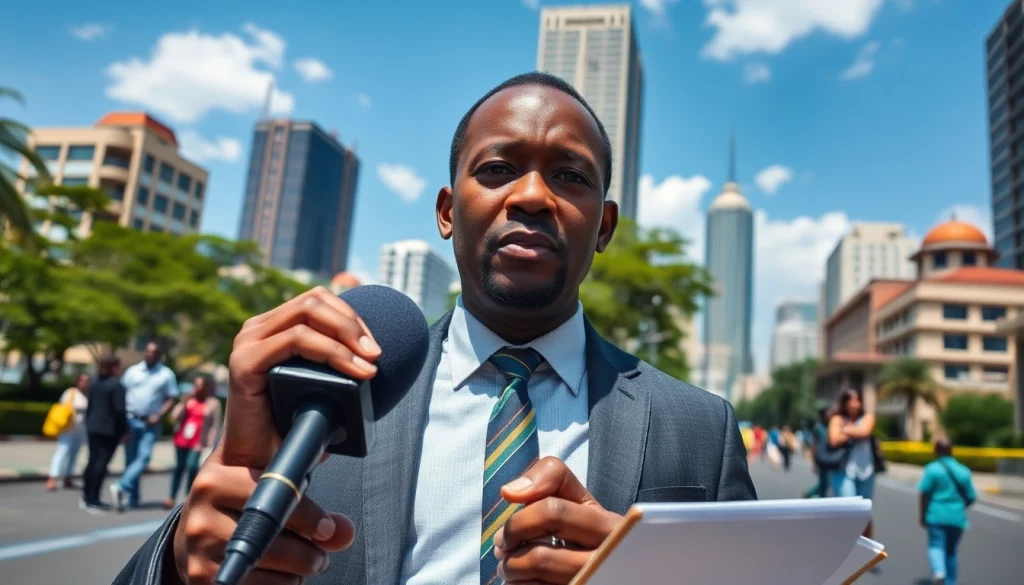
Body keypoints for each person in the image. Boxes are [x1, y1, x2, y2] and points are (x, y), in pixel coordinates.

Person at [113, 71, 756, 585]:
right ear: (447, 212)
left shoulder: (702, 426)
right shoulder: (324, 393)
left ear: (605, 226)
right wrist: (180, 564)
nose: (532, 195)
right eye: (498, 169)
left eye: (569, 175)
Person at [110, 342, 178, 512]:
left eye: (154, 353)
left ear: (159, 355)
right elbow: (122, 393)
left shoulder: (166, 374)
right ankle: (133, 498)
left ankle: (122, 485)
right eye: (148, 352)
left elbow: (170, 398)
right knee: (131, 460)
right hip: (131, 419)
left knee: (144, 457)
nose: (150, 355)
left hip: (151, 422)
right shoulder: (133, 371)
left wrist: (159, 414)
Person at [918, 437, 976, 585]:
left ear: (936, 451)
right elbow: (971, 496)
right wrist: (958, 507)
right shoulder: (963, 470)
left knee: (936, 546)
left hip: (935, 515)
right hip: (957, 517)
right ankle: (950, 582)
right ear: (952, 450)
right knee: (951, 551)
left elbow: (924, 493)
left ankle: (939, 572)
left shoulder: (932, 469)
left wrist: (922, 515)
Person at [164, 374, 222, 509]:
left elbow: (215, 425)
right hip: (182, 438)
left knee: (192, 466)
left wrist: (210, 443)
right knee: (179, 467)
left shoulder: (213, 403)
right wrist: (183, 403)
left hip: (198, 441)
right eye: (195, 385)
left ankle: (188, 497)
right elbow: (174, 417)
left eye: (200, 385)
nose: (197, 388)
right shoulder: (189, 401)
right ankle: (171, 497)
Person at [828, 387, 877, 538]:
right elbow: (834, 439)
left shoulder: (867, 417)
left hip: (866, 470)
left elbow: (865, 432)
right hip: (844, 470)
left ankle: (867, 549)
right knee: (848, 511)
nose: (854, 404)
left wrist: (846, 429)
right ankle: (846, 546)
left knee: (864, 512)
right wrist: (854, 431)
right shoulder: (836, 419)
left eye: (857, 400)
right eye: (850, 400)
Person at [82, 356, 126, 513]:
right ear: (114, 368)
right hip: (109, 430)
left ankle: (86, 496)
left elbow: (90, 406)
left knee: (92, 462)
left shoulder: (95, 383)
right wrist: (124, 430)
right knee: (101, 464)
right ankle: (93, 499)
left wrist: (88, 424)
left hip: (93, 427)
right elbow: (119, 410)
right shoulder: (116, 385)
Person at [45, 373, 90, 491]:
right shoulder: (71, 393)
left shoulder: (87, 395)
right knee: (63, 451)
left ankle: (68, 477)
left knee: (74, 453)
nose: (84, 383)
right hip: (69, 428)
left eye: (87, 381)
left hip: (81, 429)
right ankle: (52, 477)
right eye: (82, 380)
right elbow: (63, 408)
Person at [803, 407, 831, 498]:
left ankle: (815, 496)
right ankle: (810, 494)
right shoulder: (818, 427)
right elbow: (814, 445)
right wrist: (814, 461)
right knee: (824, 483)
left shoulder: (830, 426)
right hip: (821, 458)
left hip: (830, 458)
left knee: (826, 483)